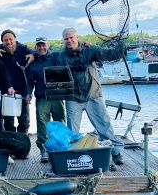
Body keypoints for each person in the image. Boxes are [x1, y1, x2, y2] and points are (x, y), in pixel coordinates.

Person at [56, 27, 125, 165]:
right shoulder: (61, 57)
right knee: (72, 130)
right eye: (66, 39)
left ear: (77, 37)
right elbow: (60, 78)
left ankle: (116, 152)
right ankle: (73, 155)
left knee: (104, 125)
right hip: (74, 98)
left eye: (71, 38)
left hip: (93, 95)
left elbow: (110, 55)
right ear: (63, 41)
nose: (69, 41)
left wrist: (120, 46)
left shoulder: (90, 49)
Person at [0, 29, 34, 134]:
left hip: (23, 90)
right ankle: (11, 143)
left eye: (11, 39)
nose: (8, 42)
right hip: (6, 90)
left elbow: (35, 51)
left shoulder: (23, 48)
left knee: (24, 121)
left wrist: (34, 55)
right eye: (5, 40)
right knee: (8, 121)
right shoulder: (0, 49)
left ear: (15, 39)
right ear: (2, 42)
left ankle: (23, 142)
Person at [26, 37, 66, 162]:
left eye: (43, 45)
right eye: (38, 46)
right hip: (42, 97)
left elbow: (69, 52)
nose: (41, 48)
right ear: (35, 47)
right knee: (42, 123)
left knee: (60, 121)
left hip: (57, 96)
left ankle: (61, 147)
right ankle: (43, 149)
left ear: (48, 46)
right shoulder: (32, 63)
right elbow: (29, 82)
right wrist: (28, 93)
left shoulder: (56, 56)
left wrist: (83, 44)